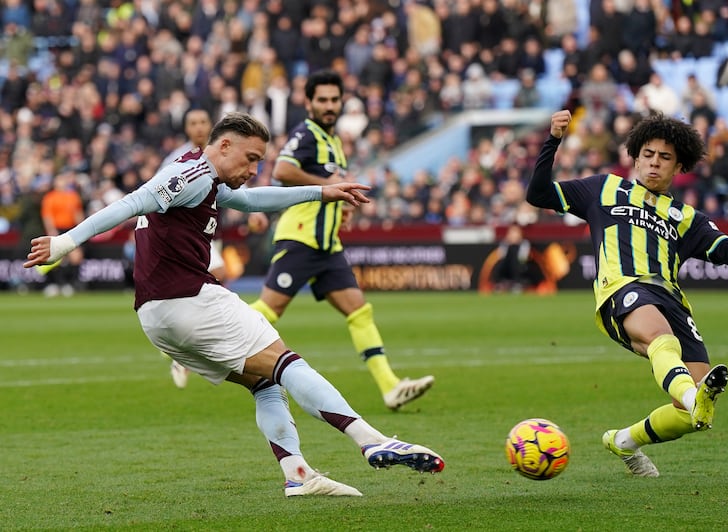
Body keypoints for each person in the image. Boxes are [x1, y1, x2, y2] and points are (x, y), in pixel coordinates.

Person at [24, 112, 444, 496]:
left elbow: (252, 201)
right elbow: (132, 201)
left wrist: (321, 193)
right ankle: (372, 440)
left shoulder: (207, 181)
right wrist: (65, 241)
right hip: (189, 299)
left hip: (156, 317)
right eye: (250, 158)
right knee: (286, 361)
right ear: (223, 146)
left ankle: (298, 475)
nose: (253, 169)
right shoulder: (191, 174)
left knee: (263, 382)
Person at [526, 109, 728, 477]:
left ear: (679, 167)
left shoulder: (688, 219)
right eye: (649, 155)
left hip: (672, 301)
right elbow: (538, 194)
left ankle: (624, 441)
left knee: (691, 418)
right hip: (622, 289)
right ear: (635, 156)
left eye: (665, 158)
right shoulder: (603, 189)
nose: (655, 164)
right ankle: (693, 394)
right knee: (662, 341)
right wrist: (553, 140)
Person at [248, 69, 434, 411]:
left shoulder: (333, 141)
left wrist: (341, 208)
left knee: (359, 312)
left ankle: (390, 387)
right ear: (309, 103)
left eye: (335, 99)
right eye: (322, 100)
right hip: (302, 239)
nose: (330, 105)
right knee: (267, 312)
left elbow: (329, 185)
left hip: (327, 246)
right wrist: (325, 188)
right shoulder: (307, 134)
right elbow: (283, 171)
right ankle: (201, 340)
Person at [157, 108, 223, 388]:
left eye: (203, 122)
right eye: (193, 123)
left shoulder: (217, 155)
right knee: (213, 276)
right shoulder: (177, 159)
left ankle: (178, 345)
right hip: (183, 234)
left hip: (204, 231)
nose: (198, 127)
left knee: (207, 282)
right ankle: (182, 348)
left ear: (211, 125)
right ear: (186, 128)